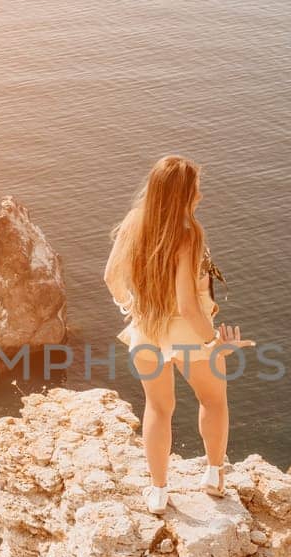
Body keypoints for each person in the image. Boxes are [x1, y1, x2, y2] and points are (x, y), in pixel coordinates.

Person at [104, 155, 251, 514]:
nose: (200, 195)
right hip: (187, 331)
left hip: (146, 330)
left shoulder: (134, 222)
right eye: (195, 188)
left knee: (158, 408)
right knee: (213, 400)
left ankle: (157, 492)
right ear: (182, 193)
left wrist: (135, 309)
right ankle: (214, 476)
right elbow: (187, 304)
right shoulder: (189, 233)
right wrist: (213, 343)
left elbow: (110, 277)